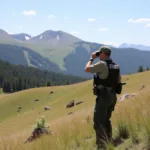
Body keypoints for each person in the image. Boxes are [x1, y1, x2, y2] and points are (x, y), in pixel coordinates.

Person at [84, 45, 121, 149]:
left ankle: (101, 146)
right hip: (113, 97)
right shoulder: (116, 66)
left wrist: (92, 58)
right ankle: (108, 141)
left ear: (104, 54)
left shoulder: (102, 64)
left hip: (104, 97)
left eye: (100, 54)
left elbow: (86, 69)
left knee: (99, 123)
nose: (99, 55)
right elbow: (119, 81)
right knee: (107, 120)